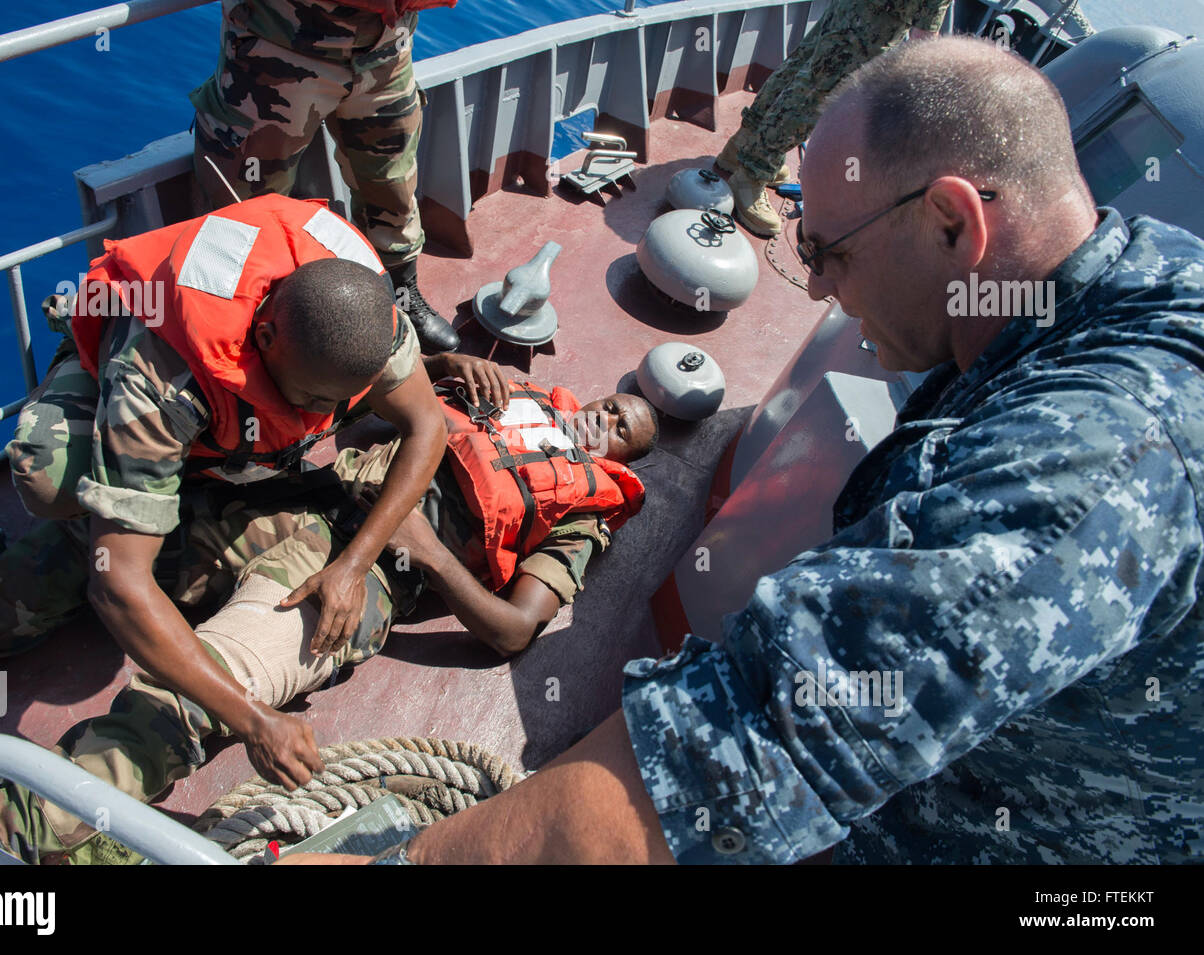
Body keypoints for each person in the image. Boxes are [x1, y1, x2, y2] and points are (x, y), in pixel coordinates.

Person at [287, 36, 1204, 865]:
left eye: (829, 252)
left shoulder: (1101, 454)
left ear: (953, 225)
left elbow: (753, 742)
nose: (821, 291)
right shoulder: (1110, 301)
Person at [0, 376, 657, 864]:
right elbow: (377, 409)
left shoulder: (579, 519)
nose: (607, 418)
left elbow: (513, 629)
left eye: (623, 428)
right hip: (304, 502)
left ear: (624, 456)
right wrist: (449, 361)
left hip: (360, 584)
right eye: (612, 403)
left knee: (197, 694)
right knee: (94, 547)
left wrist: (429, 553)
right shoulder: (509, 402)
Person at [0, 193, 455, 839]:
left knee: (173, 545)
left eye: (333, 405)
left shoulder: (368, 322)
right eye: (307, 397)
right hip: (144, 355)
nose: (315, 417)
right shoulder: (160, 373)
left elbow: (427, 426)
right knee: (64, 499)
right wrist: (254, 719)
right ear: (268, 338)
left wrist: (353, 564)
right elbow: (119, 588)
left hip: (263, 478)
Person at [190, 0, 461, 353]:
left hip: (385, 52)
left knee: (392, 187)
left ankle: (401, 299)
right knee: (249, 209)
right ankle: (249, 326)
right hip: (279, 49)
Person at [717, 0, 950, 237]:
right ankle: (752, 175)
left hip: (849, 10)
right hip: (871, 31)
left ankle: (742, 147)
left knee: (802, 65)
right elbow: (924, 37)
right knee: (816, 95)